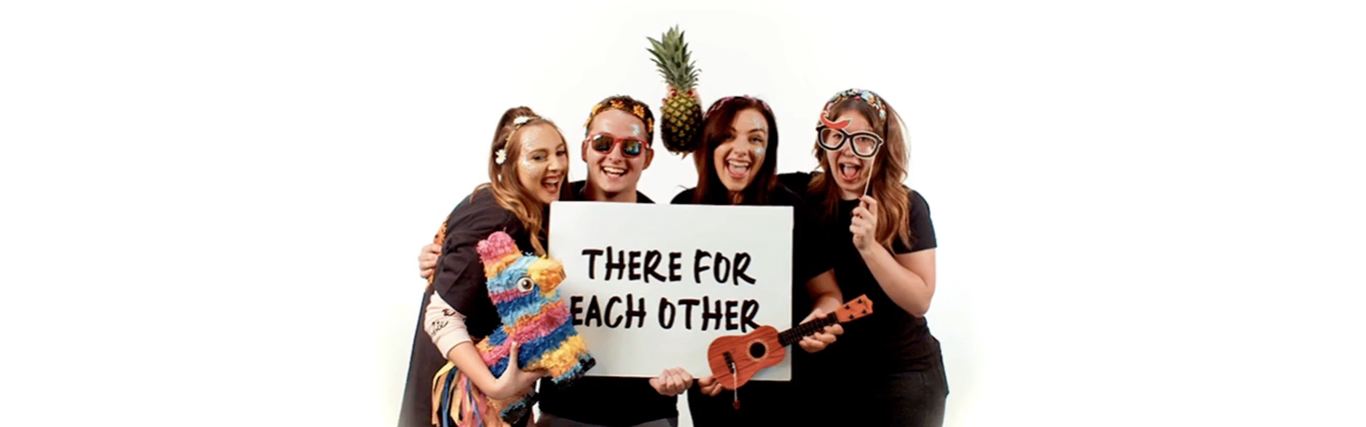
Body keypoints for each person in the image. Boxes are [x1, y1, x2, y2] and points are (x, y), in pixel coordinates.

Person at [419, 96, 693, 427]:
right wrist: (438, 256)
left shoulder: (670, 229)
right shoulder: (547, 210)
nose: (616, 156)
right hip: (563, 411)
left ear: (647, 156)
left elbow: (683, 316)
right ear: (584, 149)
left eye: (632, 147)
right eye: (603, 143)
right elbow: (482, 262)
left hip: (648, 411)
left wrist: (684, 367)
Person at [671, 95, 844, 427]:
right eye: (728, 136)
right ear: (709, 145)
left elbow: (828, 294)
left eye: (756, 139)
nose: (741, 149)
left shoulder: (791, 209)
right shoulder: (683, 209)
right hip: (712, 389)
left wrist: (822, 316)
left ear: (768, 151)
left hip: (786, 393)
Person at [778, 89, 947, 426]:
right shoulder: (800, 195)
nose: (847, 150)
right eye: (836, 137)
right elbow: (737, 179)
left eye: (863, 141)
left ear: (882, 149)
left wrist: (870, 247)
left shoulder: (907, 207)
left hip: (902, 379)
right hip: (828, 381)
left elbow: (919, 299)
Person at [398, 106, 569, 427]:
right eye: (539, 156)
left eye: (560, 153)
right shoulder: (499, 218)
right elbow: (440, 317)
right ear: (508, 161)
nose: (557, 165)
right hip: (462, 403)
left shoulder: (522, 208)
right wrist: (497, 386)